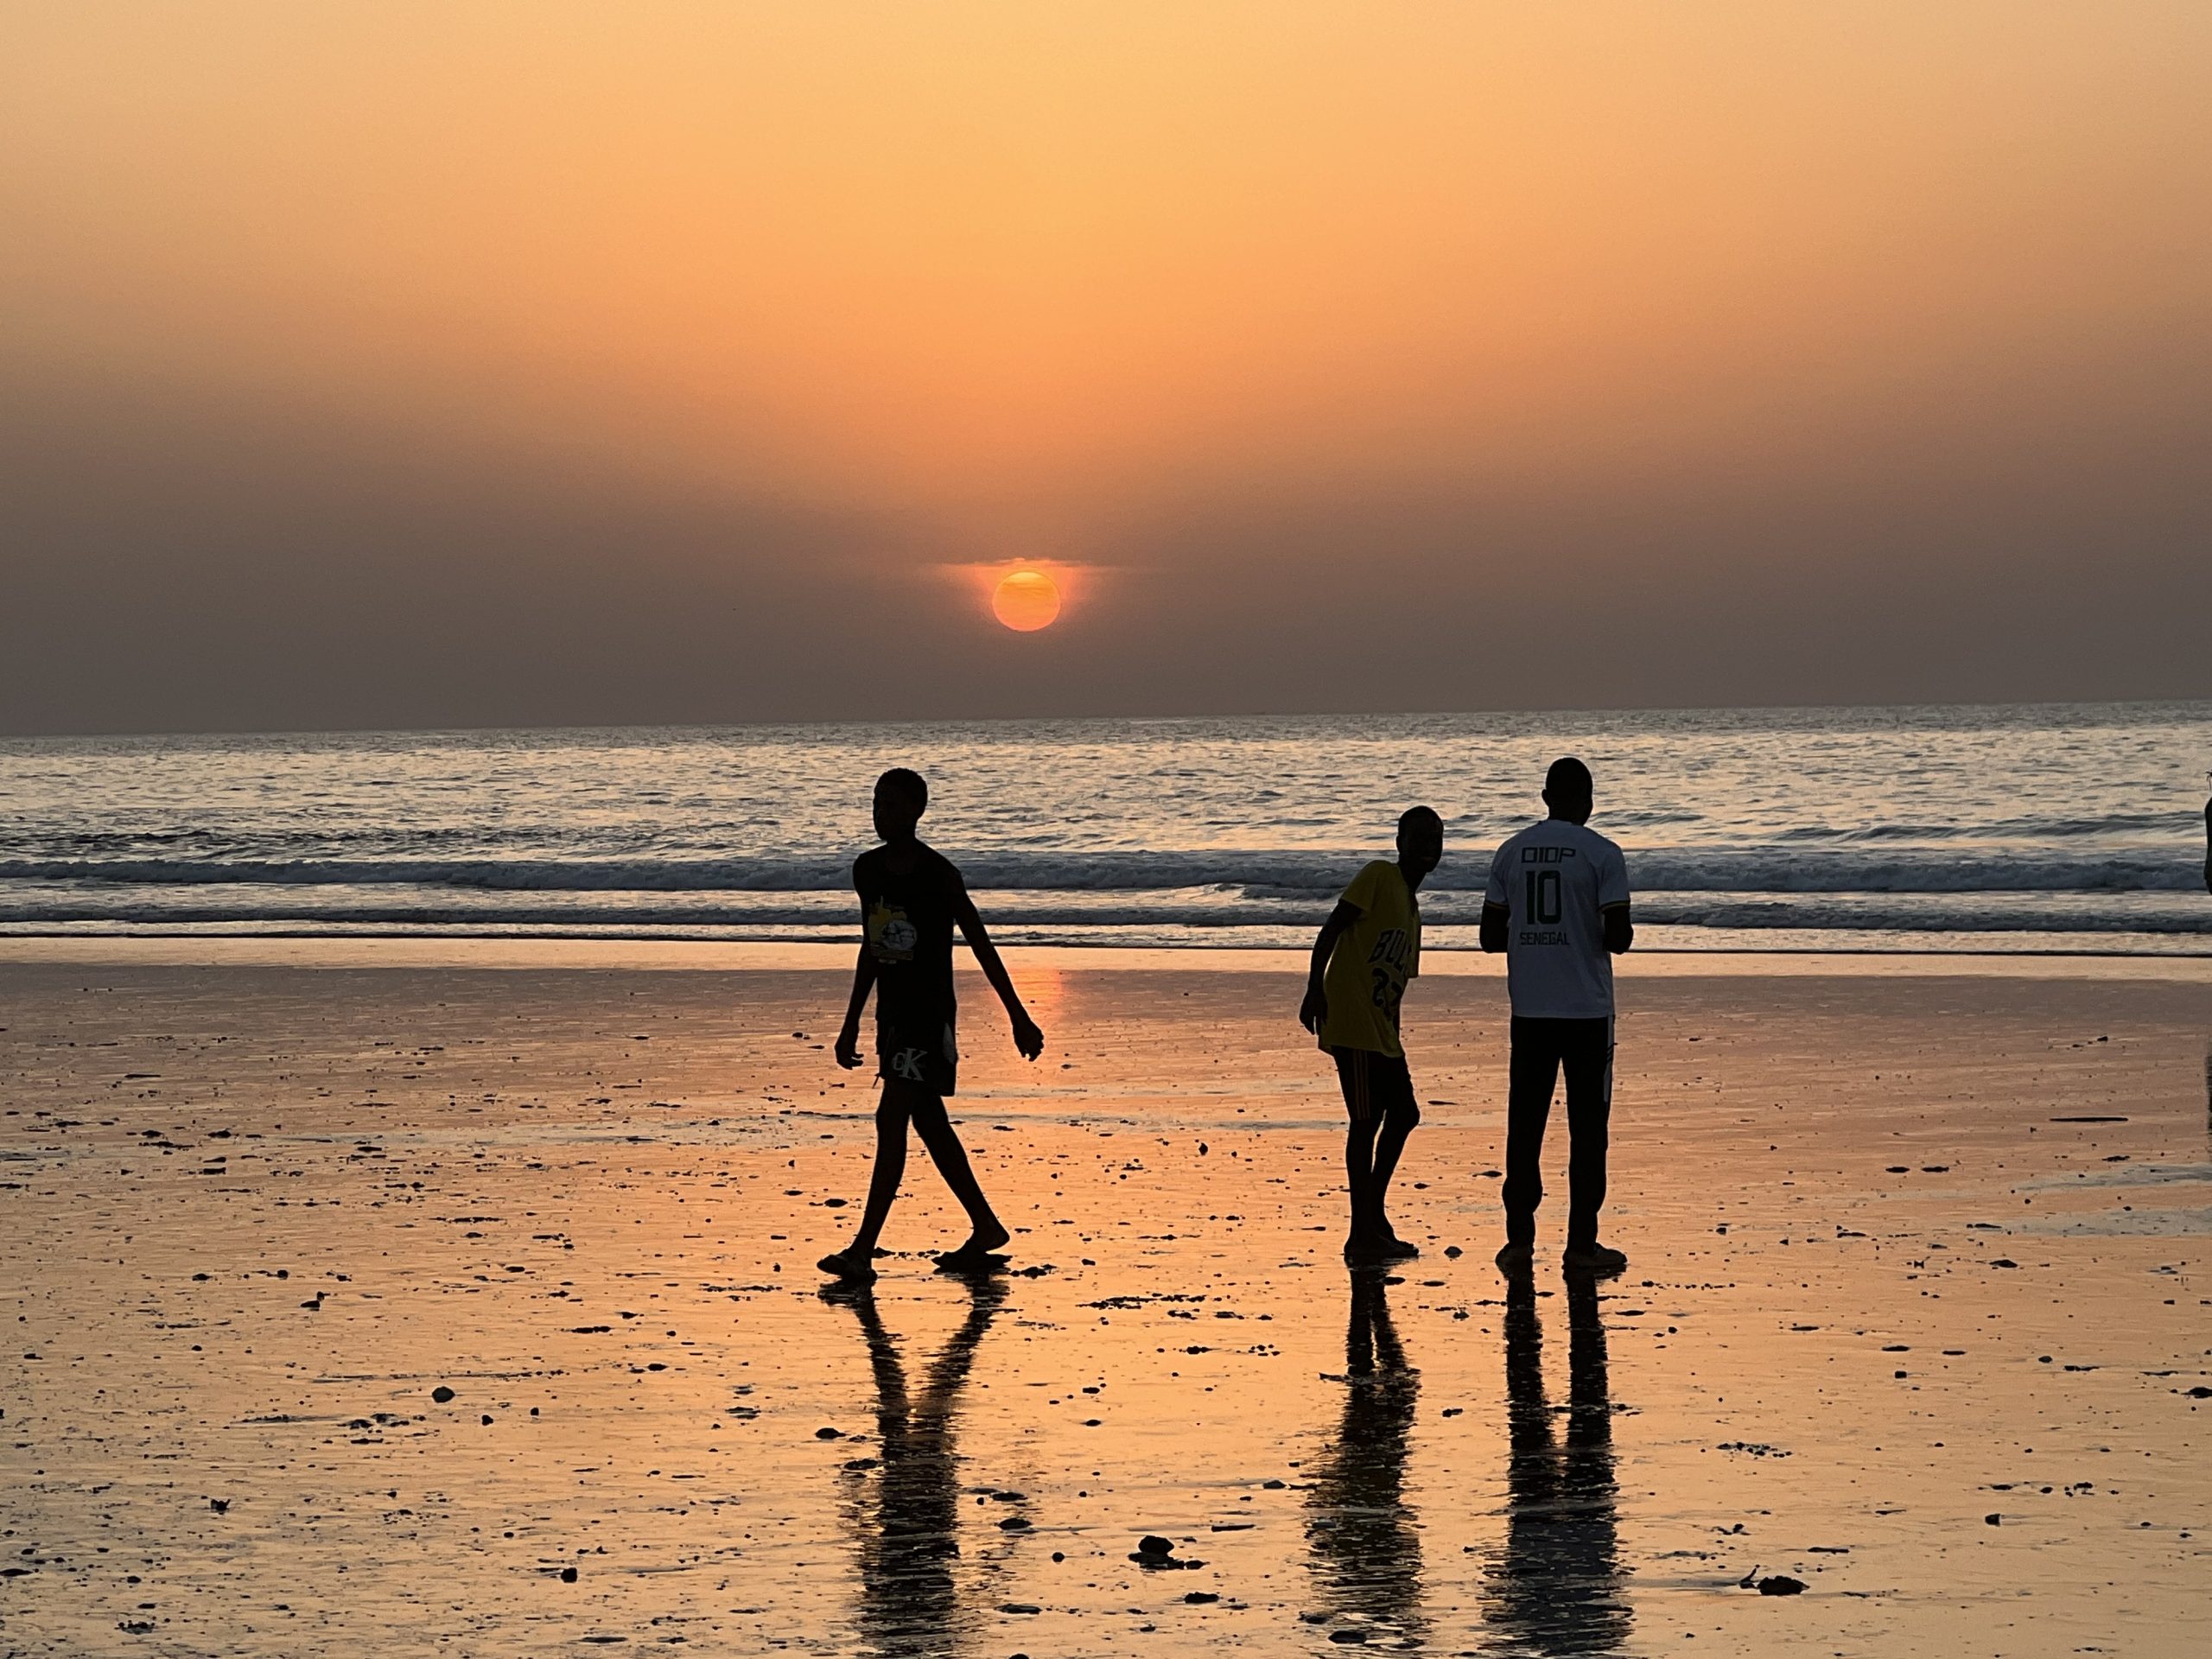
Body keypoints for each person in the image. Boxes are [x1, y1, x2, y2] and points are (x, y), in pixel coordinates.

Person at [817, 768, 1045, 1282]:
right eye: (876, 803)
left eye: (892, 805)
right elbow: (871, 948)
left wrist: (1019, 1016)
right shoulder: (868, 870)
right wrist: (850, 1022)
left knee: (891, 1117)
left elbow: (980, 942)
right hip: (892, 1014)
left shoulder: (938, 874)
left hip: (928, 1013)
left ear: (916, 812)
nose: (881, 813)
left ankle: (861, 1251)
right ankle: (986, 1226)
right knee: (929, 1123)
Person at [1480, 758, 1632, 1275]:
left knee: (1525, 1125)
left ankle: (1519, 1240)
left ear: (1546, 798)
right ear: (1588, 801)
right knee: (1588, 1130)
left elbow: (1488, 938)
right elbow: (1618, 938)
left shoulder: (1510, 852)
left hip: (1530, 1009)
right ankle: (1581, 1245)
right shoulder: (1602, 854)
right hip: (1587, 1011)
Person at [1300, 807, 1445, 1264]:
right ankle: (1362, 1231)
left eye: (1435, 838)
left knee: (1403, 1114)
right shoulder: (1379, 875)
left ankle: (1372, 1216)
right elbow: (1333, 928)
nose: (1428, 845)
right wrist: (1313, 988)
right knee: (1365, 1122)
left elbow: (1397, 983)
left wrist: (1395, 1038)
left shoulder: (1413, 909)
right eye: (1419, 836)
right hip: (1351, 1019)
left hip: (1380, 1030)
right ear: (1400, 841)